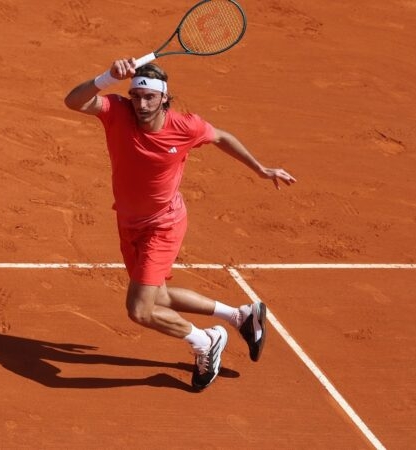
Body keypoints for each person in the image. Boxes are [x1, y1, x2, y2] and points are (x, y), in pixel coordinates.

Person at [64, 58, 296, 391]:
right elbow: (73, 101)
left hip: (164, 224)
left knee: (140, 310)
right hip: (129, 222)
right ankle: (240, 317)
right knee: (156, 295)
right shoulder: (117, 111)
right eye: (136, 97)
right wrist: (106, 77)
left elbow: (222, 137)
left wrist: (260, 169)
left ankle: (205, 341)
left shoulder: (186, 127)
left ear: (164, 100)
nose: (141, 105)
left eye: (149, 98)